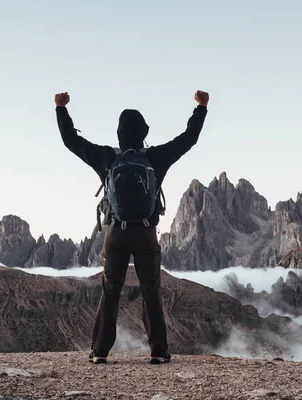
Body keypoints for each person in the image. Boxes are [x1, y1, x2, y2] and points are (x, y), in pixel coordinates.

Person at [54, 90, 209, 364]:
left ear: (119, 133)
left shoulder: (106, 158)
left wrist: (61, 109)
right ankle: (159, 351)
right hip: (146, 233)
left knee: (110, 289)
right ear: (143, 133)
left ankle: (100, 351)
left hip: (115, 233)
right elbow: (188, 140)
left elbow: (71, 141)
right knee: (151, 290)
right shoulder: (156, 158)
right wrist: (200, 108)